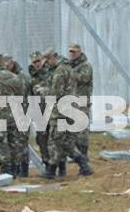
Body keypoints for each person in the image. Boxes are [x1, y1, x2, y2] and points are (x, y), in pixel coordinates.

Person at [42, 48, 93, 179]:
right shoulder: (69, 68)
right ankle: (80, 165)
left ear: (54, 57)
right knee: (66, 140)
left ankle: (78, 164)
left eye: (48, 59)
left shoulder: (60, 71)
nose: (46, 62)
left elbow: (56, 92)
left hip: (61, 110)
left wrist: (42, 91)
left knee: (56, 140)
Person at [7, 57, 32, 178]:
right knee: (12, 142)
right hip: (11, 113)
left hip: (22, 111)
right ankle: (15, 168)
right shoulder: (7, 77)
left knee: (22, 142)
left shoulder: (22, 77)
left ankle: (24, 169)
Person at [68, 43, 93, 160]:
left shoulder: (85, 65)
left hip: (82, 100)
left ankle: (83, 154)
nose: (72, 54)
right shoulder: (70, 65)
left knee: (82, 129)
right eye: (71, 52)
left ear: (79, 52)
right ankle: (77, 154)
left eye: (74, 52)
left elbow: (84, 78)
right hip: (72, 101)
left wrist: (70, 73)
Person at [28, 51, 51, 169]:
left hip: (51, 109)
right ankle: (46, 160)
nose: (37, 64)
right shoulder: (31, 76)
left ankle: (57, 162)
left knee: (53, 136)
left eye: (38, 61)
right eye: (35, 62)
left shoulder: (49, 72)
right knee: (41, 137)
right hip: (39, 110)